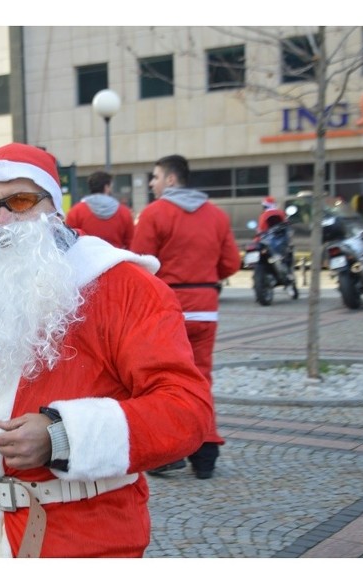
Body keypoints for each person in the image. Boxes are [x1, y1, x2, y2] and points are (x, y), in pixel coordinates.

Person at [0, 143, 212, 558]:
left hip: (89, 537)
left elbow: (186, 410)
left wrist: (61, 437)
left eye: (22, 200)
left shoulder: (127, 288)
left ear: (55, 207)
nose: (5, 218)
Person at [130, 154, 241, 480]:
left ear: (172, 180)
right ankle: (206, 452)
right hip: (205, 307)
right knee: (201, 376)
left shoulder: (154, 214)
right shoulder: (217, 216)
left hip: (168, 307)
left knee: (164, 380)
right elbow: (231, 264)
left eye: (156, 176)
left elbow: (140, 264)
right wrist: (204, 273)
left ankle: (169, 453)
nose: (152, 183)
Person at [65, 170, 134, 249]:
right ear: (106, 187)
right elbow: (130, 242)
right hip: (116, 259)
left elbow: (69, 240)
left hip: (87, 258)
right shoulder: (124, 212)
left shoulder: (76, 211)